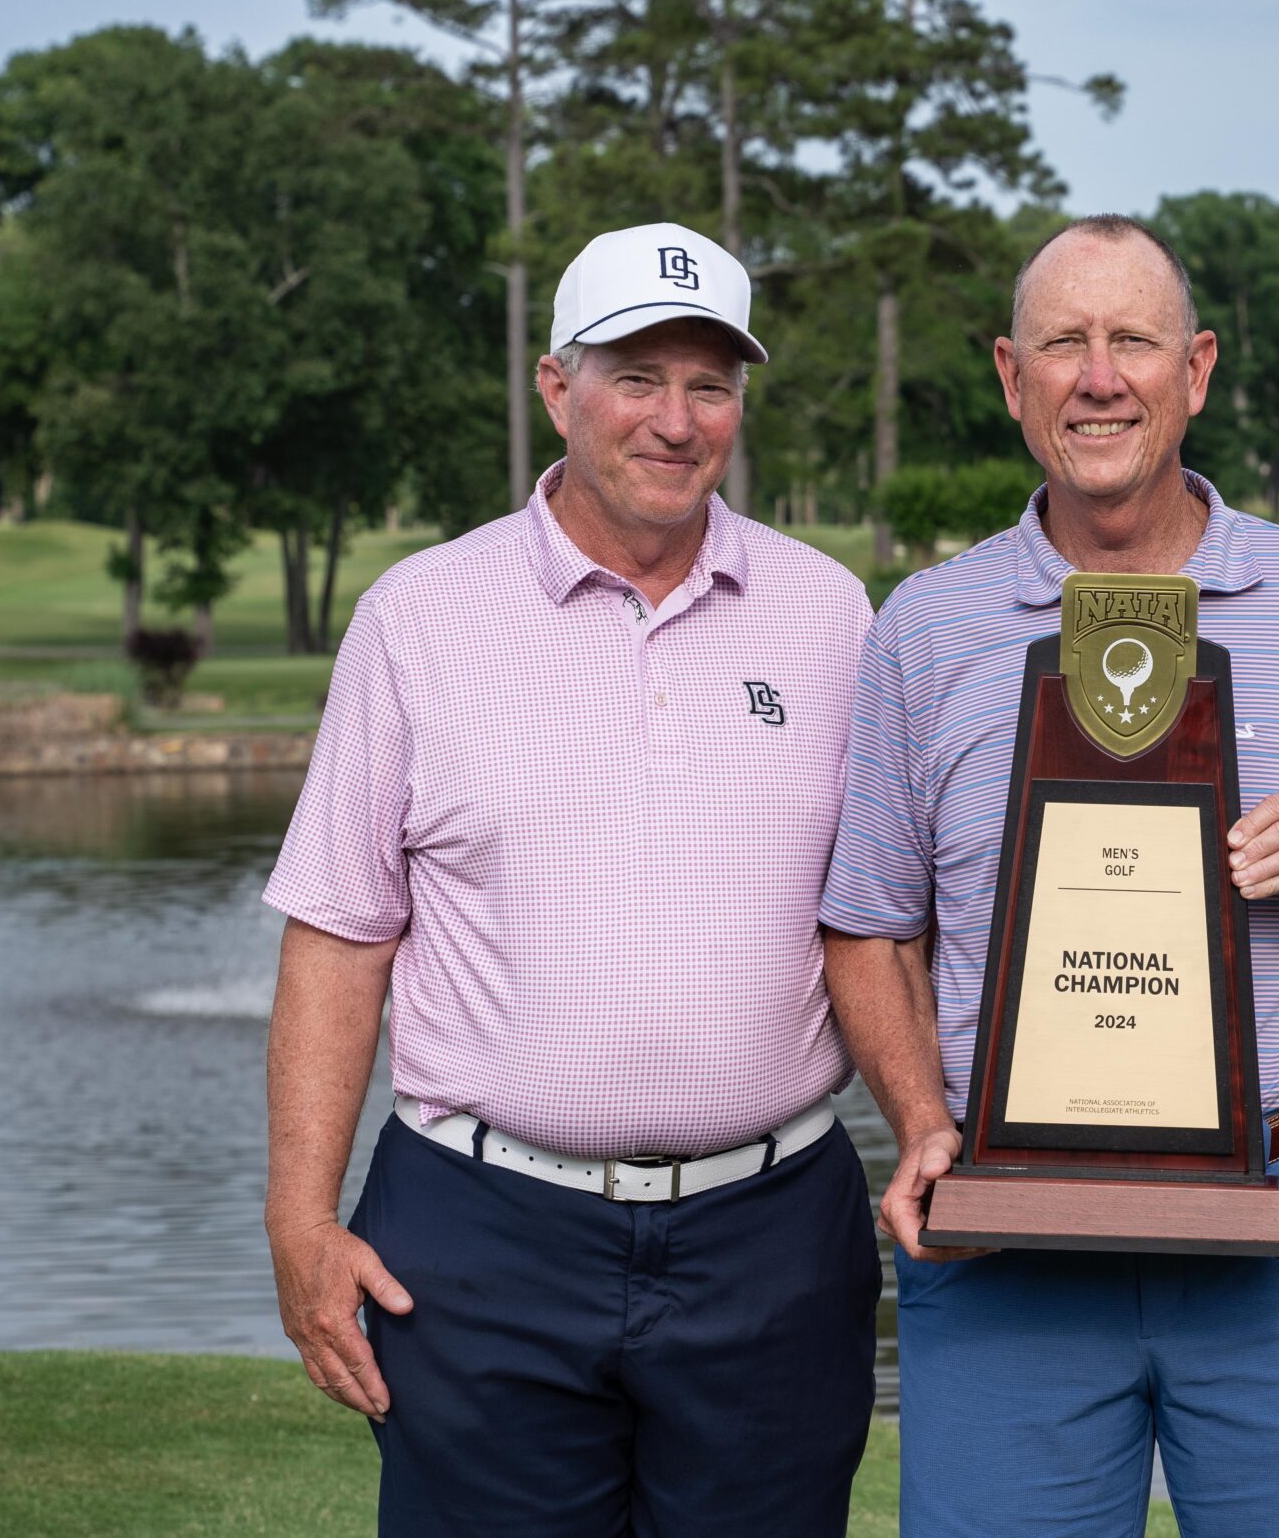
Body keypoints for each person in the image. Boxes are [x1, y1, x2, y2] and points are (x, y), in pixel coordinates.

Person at [820, 214, 1279, 1538]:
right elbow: (868, 925)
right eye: (1062, 342)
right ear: (1009, 374)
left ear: (1198, 367)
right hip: (1009, 1226)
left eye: (1133, 341)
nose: (1099, 376)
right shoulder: (924, 629)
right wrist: (921, 1116)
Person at [261, 222, 878, 1537]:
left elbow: (882, 919)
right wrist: (299, 1216)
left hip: (770, 1235)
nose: (675, 417)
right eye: (635, 375)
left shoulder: (831, 614)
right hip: (481, 1239)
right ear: (556, 385)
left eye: (709, 382)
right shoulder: (419, 615)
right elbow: (339, 934)